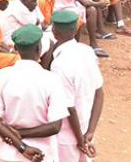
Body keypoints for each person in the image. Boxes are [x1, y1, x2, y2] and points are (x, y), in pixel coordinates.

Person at [0, 24, 68, 162]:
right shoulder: (51, 79)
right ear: (39, 48)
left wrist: (21, 145)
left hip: (11, 153)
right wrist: (23, 135)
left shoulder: (2, 75)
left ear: (16, 49)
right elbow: (55, 126)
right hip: (43, 154)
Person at [44, 10, 104, 161]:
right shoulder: (87, 51)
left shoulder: (59, 64)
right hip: (86, 127)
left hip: (68, 136)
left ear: (54, 32)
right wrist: (89, 132)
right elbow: (100, 92)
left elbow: (69, 108)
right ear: (77, 29)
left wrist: (80, 140)